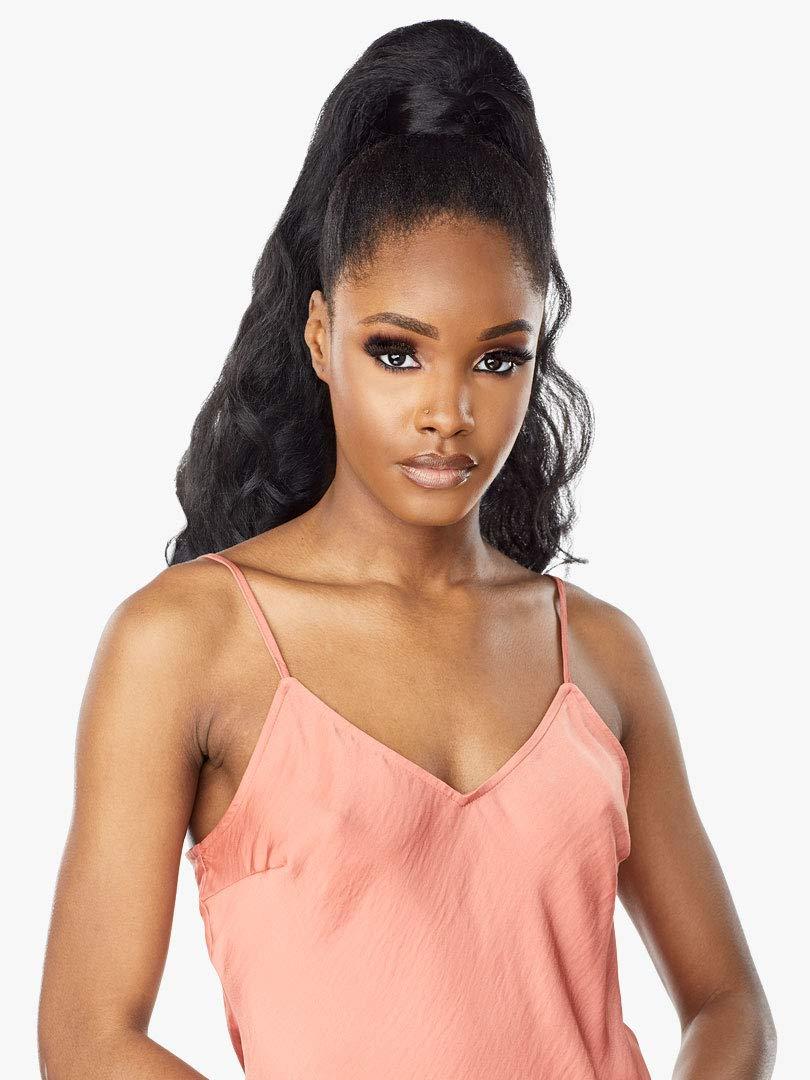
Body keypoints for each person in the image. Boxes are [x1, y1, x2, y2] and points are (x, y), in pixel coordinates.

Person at [38, 17, 776, 1080]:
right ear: (320, 336)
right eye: (397, 351)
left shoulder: (599, 654)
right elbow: (87, 1038)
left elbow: (729, 1003)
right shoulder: (187, 640)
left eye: (498, 360)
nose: (447, 413)